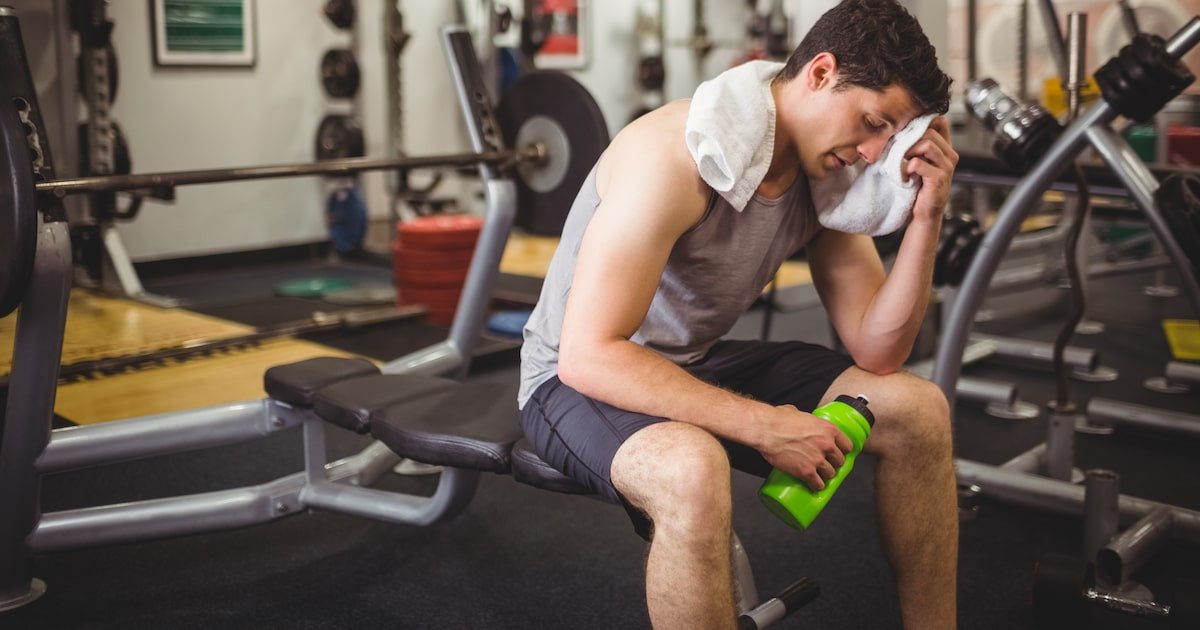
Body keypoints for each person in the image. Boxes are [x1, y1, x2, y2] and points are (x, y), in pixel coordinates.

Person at [517, 0, 958, 627]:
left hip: (687, 364)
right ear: (821, 72)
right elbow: (590, 355)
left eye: (890, 136)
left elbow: (879, 351)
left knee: (918, 411)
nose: (871, 152)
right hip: (571, 379)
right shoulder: (673, 156)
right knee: (692, 470)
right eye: (870, 122)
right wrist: (764, 426)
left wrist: (927, 217)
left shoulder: (822, 177)